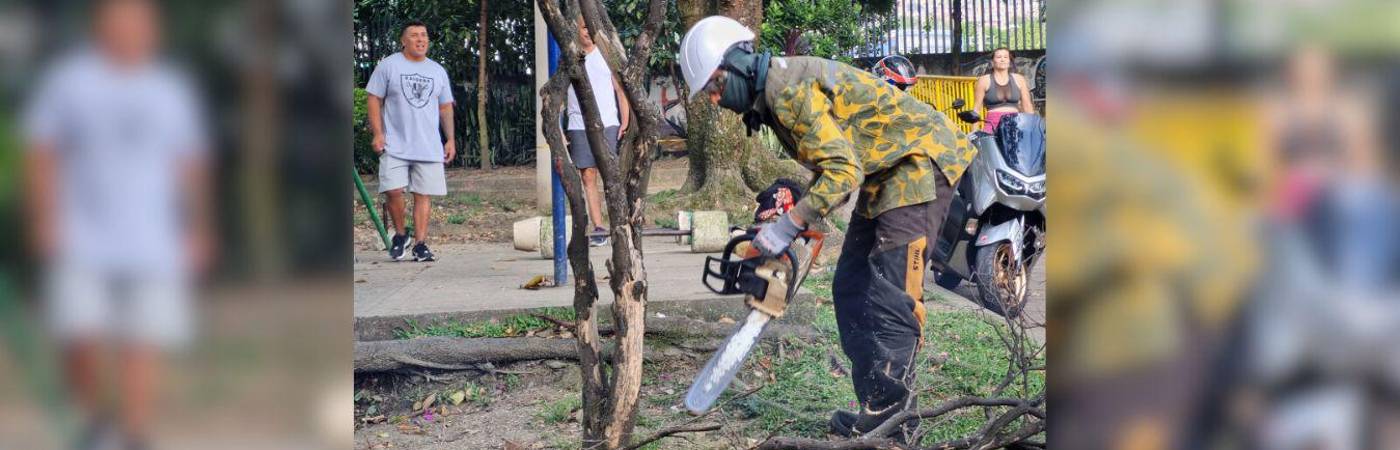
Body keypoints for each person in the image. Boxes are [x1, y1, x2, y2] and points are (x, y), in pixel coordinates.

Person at [678, 16, 977, 438]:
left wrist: (790, 223)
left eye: (714, 87)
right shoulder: (775, 94)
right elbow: (834, 166)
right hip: (883, 172)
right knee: (851, 286)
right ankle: (874, 408)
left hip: (919, 164)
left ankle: (893, 426)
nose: (714, 100)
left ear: (737, 65)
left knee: (892, 294)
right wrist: (791, 216)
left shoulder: (787, 91)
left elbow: (843, 171)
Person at [22, 0, 212, 448]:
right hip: (80, 235)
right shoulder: (70, 81)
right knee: (77, 333)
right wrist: (45, 218)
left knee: (141, 340)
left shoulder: (170, 89)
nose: (129, 27)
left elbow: (190, 163)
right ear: (101, 24)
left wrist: (197, 227)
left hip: (152, 237)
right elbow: (43, 151)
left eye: (139, 20)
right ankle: (95, 419)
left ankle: (132, 434)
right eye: (119, 18)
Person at [366, 20, 456, 261]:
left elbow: (445, 107)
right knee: (393, 189)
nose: (420, 39)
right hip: (395, 143)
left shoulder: (437, 70)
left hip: (428, 145)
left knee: (422, 194)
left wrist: (450, 140)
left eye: (424, 35)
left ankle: (420, 244)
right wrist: (378, 132)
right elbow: (374, 99)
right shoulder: (389, 66)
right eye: (414, 35)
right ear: (403, 41)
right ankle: (401, 234)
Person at [565, 16, 631, 247]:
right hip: (578, 124)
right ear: (577, 30)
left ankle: (619, 223)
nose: (587, 32)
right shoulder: (569, 57)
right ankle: (599, 226)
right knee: (588, 174)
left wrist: (625, 119)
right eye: (584, 28)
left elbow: (620, 90)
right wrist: (559, 126)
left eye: (590, 28)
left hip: (607, 123)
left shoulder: (606, 55)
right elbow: (558, 93)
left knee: (610, 175)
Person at [970, 47, 1036, 133]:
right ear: (992, 62)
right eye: (999, 57)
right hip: (992, 126)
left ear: (1009, 61)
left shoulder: (1019, 79)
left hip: (1016, 125)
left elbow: (1027, 106)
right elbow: (976, 109)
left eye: (1005, 57)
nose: (1002, 60)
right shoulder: (983, 80)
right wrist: (974, 133)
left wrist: (1033, 129)